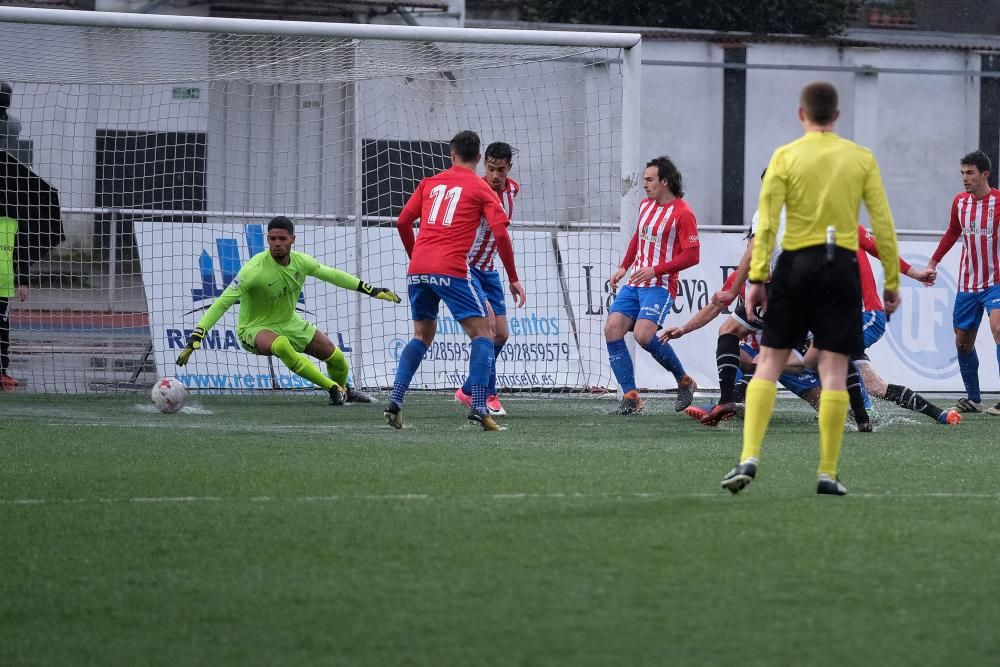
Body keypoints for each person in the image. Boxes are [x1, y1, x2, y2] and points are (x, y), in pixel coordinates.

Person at [721, 81, 901, 496]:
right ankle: (827, 471)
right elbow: (883, 223)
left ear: (802, 115)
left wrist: (756, 280)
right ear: (836, 116)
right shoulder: (859, 158)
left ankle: (749, 455)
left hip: (796, 264)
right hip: (839, 266)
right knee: (835, 371)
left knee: (768, 362)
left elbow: (765, 225)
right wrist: (891, 280)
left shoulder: (785, 156)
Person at [175, 216, 400, 403]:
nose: (277, 243)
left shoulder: (301, 262)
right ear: (268, 240)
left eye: (282, 238)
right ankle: (332, 388)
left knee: (338, 359)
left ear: (292, 239)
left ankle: (344, 391)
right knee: (281, 344)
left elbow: (332, 275)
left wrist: (371, 290)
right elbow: (222, 302)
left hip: (289, 322)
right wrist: (199, 333)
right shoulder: (253, 270)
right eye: (272, 239)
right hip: (253, 329)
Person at [387, 130, 527, 431]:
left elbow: (401, 221)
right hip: (453, 267)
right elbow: (501, 233)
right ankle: (478, 404)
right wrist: (514, 278)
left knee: (422, 336)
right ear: (479, 159)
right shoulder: (480, 188)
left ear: (451, 155)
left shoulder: (428, 183)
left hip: (418, 269)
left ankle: (395, 400)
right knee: (484, 334)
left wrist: (417, 258)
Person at [605, 155, 700, 415]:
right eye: (644, 179)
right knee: (612, 329)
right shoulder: (646, 205)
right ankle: (631, 396)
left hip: (660, 285)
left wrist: (655, 270)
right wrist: (624, 266)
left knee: (643, 335)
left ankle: (684, 381)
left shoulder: (683, 213)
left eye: (649, 179)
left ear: (665, 181)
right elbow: (639, 237)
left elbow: (693, 255)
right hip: (636, 282)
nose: (645, 184)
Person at [925, 150, 1000, 416]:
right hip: (968, 284)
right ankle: (974, 399)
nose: (965, 178)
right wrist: (933, 262)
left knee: (998, 327)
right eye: (962, 173)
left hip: (995, 282)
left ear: (984, 174)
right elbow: (953, 232)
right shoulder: (960, 202)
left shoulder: (999, 202)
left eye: (970, 173)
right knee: (962, 343)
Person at [454, 141, 520, 417]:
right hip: (468, 269)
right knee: (489, 328)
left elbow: (500, 236)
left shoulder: (513, 190)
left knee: (502, 334)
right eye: (490, 168)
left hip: (489, 270)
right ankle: (489, 395)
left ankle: (468, 388)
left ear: (508, 169)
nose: (495, 175)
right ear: (484, 165)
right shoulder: (477, 190)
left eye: (500, 170)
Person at [0, 211, 28, 389]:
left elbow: (21, 255)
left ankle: (2, 372)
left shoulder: (13, 224)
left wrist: (23, 282)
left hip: (3, 288)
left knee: (2, 332)